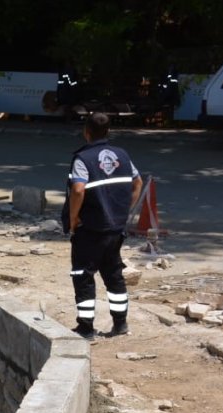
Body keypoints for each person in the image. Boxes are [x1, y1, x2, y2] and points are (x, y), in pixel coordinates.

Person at [65, 112, 143, 340]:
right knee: (114, 274)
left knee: (83, 275)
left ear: (85, 131)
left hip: (90, 229)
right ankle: (120, 324)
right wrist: (125, 210)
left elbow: (78, 190)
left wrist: (72, 219)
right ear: (108, 131)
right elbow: (137, 182)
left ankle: (86, 327)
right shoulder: (123, 155)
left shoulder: (83, 158)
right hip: (115, 228)